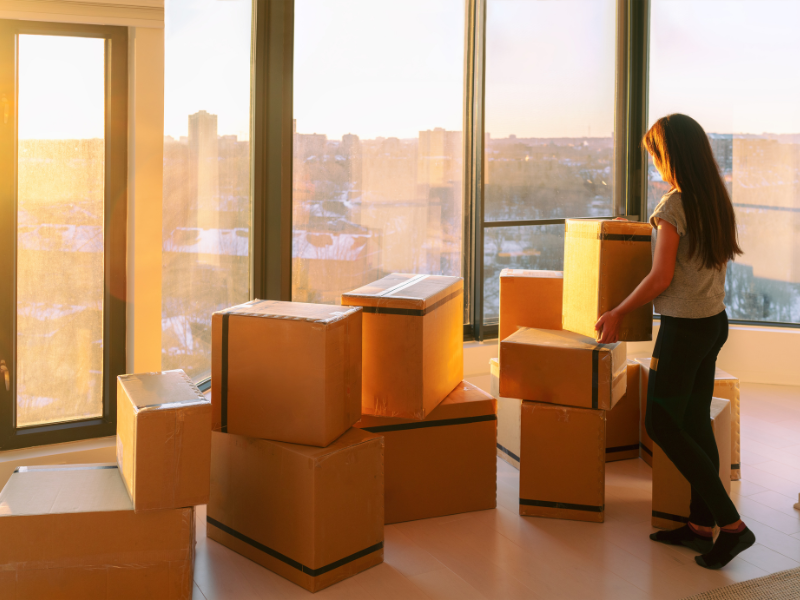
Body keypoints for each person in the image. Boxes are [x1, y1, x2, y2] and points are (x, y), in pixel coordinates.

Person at [594, 113, 755, 570]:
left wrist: (618, 311)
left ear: (672, 156)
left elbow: (661, 276)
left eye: (656, 156)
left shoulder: (673, 207)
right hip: (712, 323)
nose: (656, 166)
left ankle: (733, 527)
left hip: (684, 330)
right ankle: (702, 525)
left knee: (662, 424)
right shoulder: (714, 201)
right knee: (695, 422)